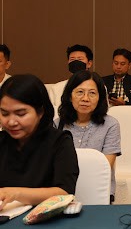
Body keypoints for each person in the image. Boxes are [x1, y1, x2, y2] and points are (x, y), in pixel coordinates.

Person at [0, 74, 79, 210]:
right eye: (4, 114)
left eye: (21, 114)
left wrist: (15, 193)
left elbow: (65, 192)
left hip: (44, 216)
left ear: (40, 112)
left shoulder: (60, 142)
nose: (11, 122)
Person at [56, 70, 121, 202]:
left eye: (92, 93)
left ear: (100, 98)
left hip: (98, 191)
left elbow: (104, 167)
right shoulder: (57, 125)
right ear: (70, 96)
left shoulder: (111, 125)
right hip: (63, 194)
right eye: (80, 92)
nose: (85, 98)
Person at [50, 45, 95, 115]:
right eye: (72, 59)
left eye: (80, 59)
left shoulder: (97, 86)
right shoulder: (56, 88)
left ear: (89, 63)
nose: (76, 62)